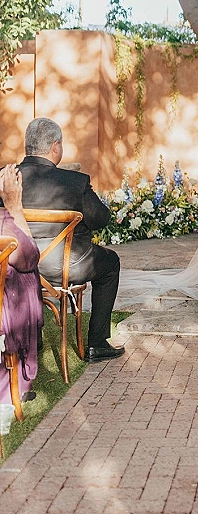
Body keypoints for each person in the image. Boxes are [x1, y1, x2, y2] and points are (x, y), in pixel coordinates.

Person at [18, 117, 124, 363]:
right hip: (67, 267)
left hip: (17, 265)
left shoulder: (4, 178)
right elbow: (101, 218)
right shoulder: (74, 182)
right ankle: (97, 342)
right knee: (111, 263)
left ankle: (34, 336)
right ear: (55, 147)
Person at [0, 164, 43, 404]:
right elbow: (29, 258)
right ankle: (18, 377)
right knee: (24, 277)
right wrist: (14, 206)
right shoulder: (3, 222)